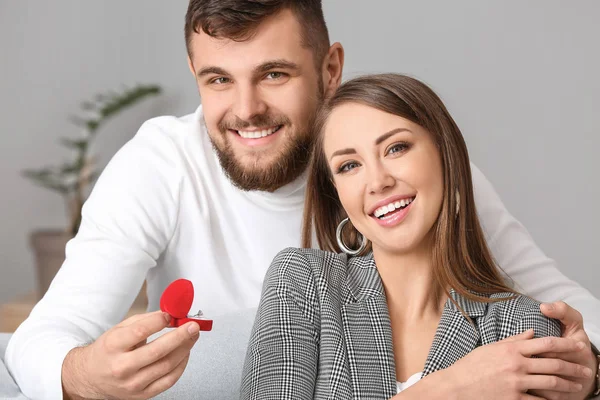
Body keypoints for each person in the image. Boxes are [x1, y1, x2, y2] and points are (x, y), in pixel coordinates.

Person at [5, 1, 599, 399]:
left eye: (274, 74)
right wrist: (81, 375)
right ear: (194, 74)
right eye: (218, 79)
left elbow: (560, 300)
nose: (246, 110)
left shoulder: (421, 173)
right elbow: (43, 337)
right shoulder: (162, 164)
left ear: (330, 67)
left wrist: (586, 366)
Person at [240, 73, 590, 399]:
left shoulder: (524, 327)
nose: (377, 182)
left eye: (396, 148)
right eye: (349, 166)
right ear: (338, 195)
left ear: (445, 156)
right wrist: (450, 389)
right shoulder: (302, 282)